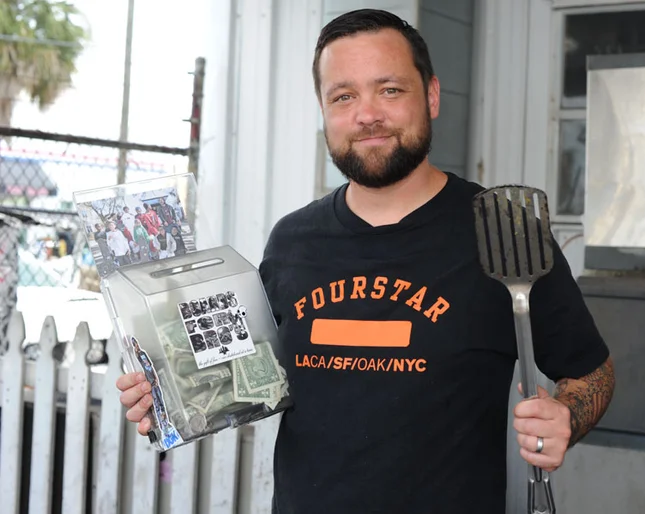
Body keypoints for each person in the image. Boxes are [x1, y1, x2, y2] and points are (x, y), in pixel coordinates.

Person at [116, 9, 615, 513]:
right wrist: (166, 393)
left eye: (390, 89)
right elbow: (244, 381)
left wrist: (566, 417)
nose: (366, 114)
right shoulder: (292, 241)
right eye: (344, 96)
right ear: (325, 109)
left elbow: (592, 373)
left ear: (432, 96)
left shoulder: (504, 231)